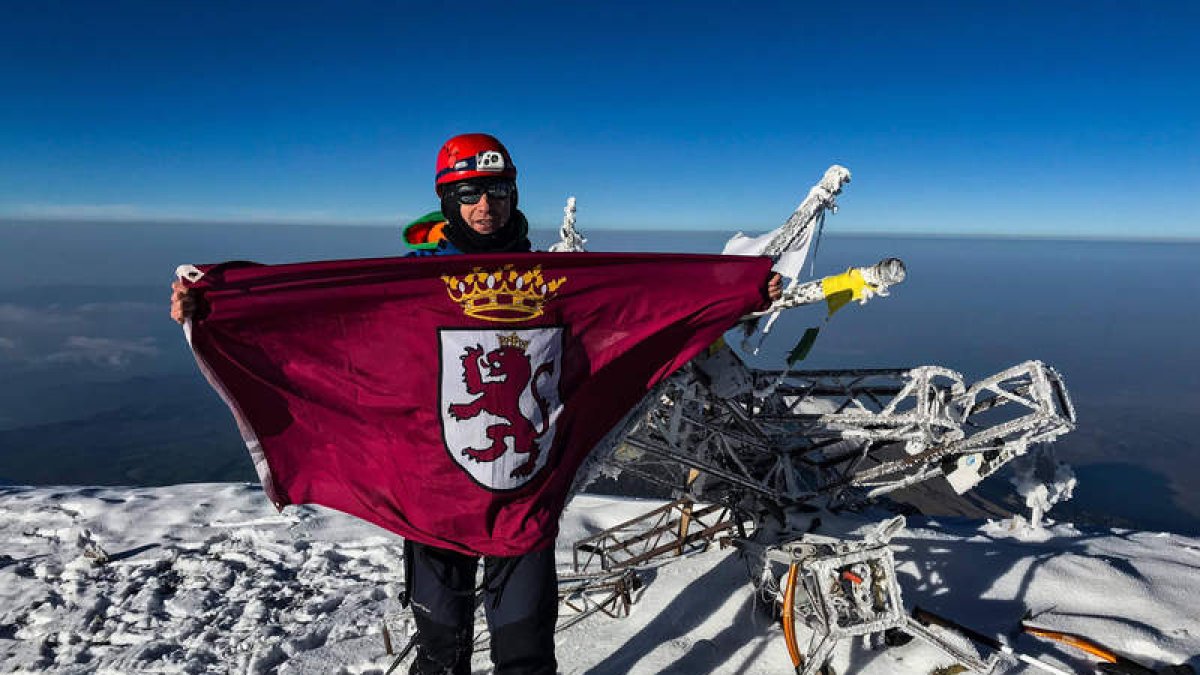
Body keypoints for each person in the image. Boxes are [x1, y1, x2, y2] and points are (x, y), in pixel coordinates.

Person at [171, 133, 782, 674]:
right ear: (446, 202)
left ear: (514, 194)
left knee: (525, 654)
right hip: (431, 498)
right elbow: (324, 308)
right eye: (468, 194)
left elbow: (644, 304)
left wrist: (742, 290)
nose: (484, 206)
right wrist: (218, 303)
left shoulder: (554, 283)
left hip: (522, 499)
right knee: (441, 654)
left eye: (496, 190)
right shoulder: (412, 283)